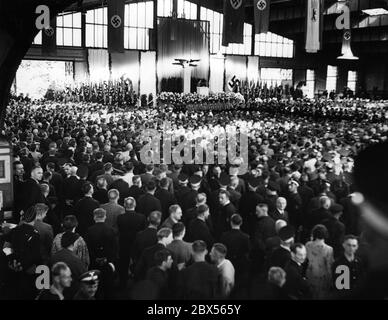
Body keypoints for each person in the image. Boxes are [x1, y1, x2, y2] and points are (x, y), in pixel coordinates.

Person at [85, 208, 118, 299]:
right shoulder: (111, 230)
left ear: (94, 217)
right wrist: (108, 259)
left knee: (95, 288)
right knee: (108, 288)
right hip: (107, 264)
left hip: (94, 264)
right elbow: (114, 248)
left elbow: (87, 248)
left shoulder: (89, 230)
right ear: (105, 217)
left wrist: (95, 258)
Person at [117, 197, 147, 287]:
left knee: (123, 264)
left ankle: (122, 283)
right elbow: (143, 232)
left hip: (124, 244)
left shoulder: (120, 218)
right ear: (135, 205)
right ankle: (137, 283)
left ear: (124, 205)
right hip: (137, 244)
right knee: (137, 264)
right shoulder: (141, 217)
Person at [50, 231, 87, 299]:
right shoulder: (76, 260)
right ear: (73, 243)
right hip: (71, 295)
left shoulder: (53, 257)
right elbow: (83, 278)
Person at [305, 224, 334, 299]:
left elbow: (305, 259)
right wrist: (330, 281)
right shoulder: (329, 249)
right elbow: (329, 266)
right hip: (323, 277)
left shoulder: (308, 245)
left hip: (310, 275)